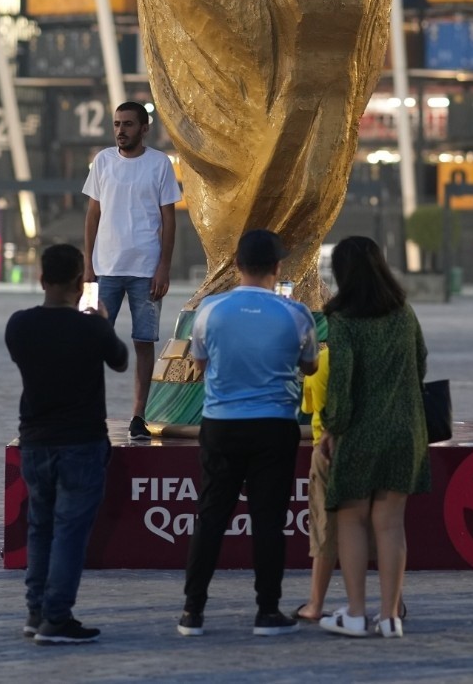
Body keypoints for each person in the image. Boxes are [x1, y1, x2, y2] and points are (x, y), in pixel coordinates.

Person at [177, 229, 318, 639]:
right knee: (269, 520)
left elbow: (199, 364)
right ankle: (267, 611)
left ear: (237, 265)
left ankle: (192, 612)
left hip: (221, 424)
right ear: (277, 267)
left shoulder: (210, 310)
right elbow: (310, 365)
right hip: (275, 425)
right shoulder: (296, 314)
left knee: (210, 517)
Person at [6, 243, 129, 644]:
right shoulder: (92, 328)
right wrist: (103, 322)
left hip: (35, 442)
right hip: (81, 443)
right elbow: (120, 360)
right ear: (80, 283)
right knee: (70, 533)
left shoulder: (19, 325)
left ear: (41, 279)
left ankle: (36, 611)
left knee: (40, 528)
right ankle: (57, 618)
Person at [318, 236, 428, 639]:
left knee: (351, 520)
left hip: (361, 432)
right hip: (406, 430)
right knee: (391, 525)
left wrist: (332, 427)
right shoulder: (403, 311)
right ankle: (390, 617)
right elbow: (421, 362)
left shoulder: (343, 319)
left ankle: (355, 614)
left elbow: (341, 384)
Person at [82, 101, 181, 441]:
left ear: (144, 128)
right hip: (104, 268)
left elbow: (169, 219)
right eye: (116, 124)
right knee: (92, 342)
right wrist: (88, 266)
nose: (120, 130)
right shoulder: (103, 161)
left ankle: (138, 415)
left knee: (144, 341)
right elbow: (92, 215)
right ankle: (91, 412)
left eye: (127, 124)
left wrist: (164, 267)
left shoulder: (160, 164)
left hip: (146, 269)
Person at [294, 333, 337, 624]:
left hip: (326, 450)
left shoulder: (323, 361)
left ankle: (316, 603)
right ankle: (392, 606)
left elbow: (310, 408)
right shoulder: (378, 359)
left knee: (325, 529)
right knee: (382, 530)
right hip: (371, 448)